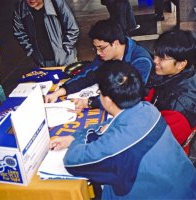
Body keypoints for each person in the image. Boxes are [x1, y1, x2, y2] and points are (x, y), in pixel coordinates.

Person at [50, 60, 196, 199]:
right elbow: (110, 124)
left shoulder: (116, 145)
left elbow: (72, 161)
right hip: (182, 187)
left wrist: (80, 139)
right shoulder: (148, 109)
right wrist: (73, 137)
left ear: (106, 99)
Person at [45, 19, 153, 109]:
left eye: (101, 48)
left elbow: (130, 95)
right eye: (95, 48)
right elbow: (87, 76)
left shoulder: (141, 60)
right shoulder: (105, 55)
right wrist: (58, 93)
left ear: (115, 43)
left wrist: (89, 102)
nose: (98, 52)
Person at [145, 29, 196, 146]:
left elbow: (158, 142)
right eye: (156, 54)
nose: (154, 60)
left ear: (181, 64)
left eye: (161, 58)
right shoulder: (171, 75)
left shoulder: (180, 106)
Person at [13, 0, 79, 67]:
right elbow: (19, 33)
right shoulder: (21, 8)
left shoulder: (57, 3)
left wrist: (65, 49)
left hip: (66, 60)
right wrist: (32, 52)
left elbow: (72, 28)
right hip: (43, 63)